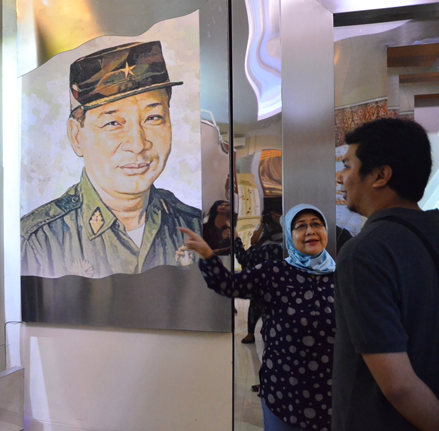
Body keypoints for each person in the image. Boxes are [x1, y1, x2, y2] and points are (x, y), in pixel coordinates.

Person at [21, 41, 202, 278]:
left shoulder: (195, 227)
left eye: (153, 118)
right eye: (113, 123)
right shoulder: (38, 241)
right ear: (77, 136)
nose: (137, 145)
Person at [180, 204, 336, 431]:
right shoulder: (274, 272)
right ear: (289, 235)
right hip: (283, 393)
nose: (310, 231)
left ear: (325, 230)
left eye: (316, 224)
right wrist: (207, 255)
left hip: (332, 395)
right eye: (300, 226)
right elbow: (227, 284)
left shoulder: (342, 276)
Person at [334, 118, 439, 431]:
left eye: (347, 165)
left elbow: (399, 386)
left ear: (380, 175)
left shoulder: (364, 253)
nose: (340, 177)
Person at [241, 205, 284, 345]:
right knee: (255, 302)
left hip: (278, 267)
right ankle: (250, 333)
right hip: (261, 267)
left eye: (277, 214)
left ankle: (267, 330)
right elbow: (253, 241)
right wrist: (262, 224)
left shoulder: (285, 223)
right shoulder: (264, 226)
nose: (275, 216)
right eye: (272, 214)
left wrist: (281, 221)